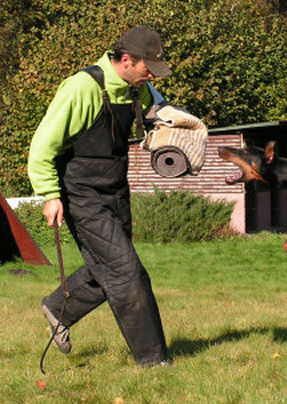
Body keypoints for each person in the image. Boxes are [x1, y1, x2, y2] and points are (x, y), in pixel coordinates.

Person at [28, 26, 172, 366]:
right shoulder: (82, 88)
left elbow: (160, 110)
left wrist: (172, 127)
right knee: (126, 272)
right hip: (79, 193)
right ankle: (154, 362)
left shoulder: (138, 88)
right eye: (147, 69)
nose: (152, 76)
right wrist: (50, 194)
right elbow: (42, 147)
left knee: (107, 264)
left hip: (115, 189)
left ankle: (57, 309)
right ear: (125, 60)